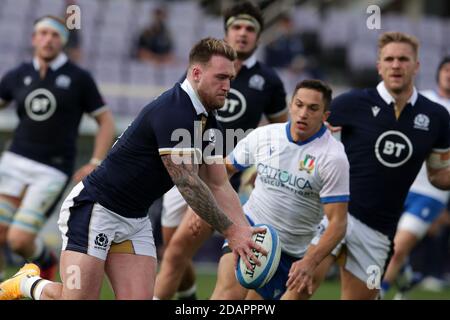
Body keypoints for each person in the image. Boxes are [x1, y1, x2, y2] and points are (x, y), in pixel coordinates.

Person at [0, 37, 266, 300]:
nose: (228, 86)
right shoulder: (175, 110)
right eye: (221, 77)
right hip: (95, 208)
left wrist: (244, 233)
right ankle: (27, 283)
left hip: (135, 219)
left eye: (230, 78)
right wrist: (232, 232)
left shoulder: (209, 121)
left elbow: (218, 183)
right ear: (197, 73)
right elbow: (188, 184)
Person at [154, 1, 288, 300]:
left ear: (259, 35)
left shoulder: (268, 81)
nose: (243, 33)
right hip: (185, 170)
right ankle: (188, 297)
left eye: (250, 29)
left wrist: (259, 169)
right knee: (172, 253)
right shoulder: (201, 72)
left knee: (176, 253)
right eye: (236, 27)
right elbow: (179, 110)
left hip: (220, 179)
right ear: (226, 31)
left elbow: (282, 135)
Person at [309, 32, 450, 300]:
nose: (396, 65)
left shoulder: (437, 117)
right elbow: (305, 137)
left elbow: (439, 175)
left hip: (378, 229)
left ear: (417, 65)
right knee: (302, 283)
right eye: (390, 59)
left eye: (403, 59)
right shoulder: (350, 103)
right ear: (379, 66)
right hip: (335, 213)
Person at [210, 79, 349, 300]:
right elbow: (225, 170)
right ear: (291, 105)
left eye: (313, 108)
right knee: (227, 296)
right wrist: (211, 209)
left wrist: (310, 262)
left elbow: (338, 223)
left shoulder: (333, 158)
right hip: (251, 228)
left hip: (294, 250)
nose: (303, 113)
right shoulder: (265, 135)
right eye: (299, 104)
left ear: (325, 116)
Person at [0, 16, 115, 283]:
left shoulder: (79, 78)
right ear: (34, 39)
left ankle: (45, 260)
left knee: (18, 240)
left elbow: (106, 121)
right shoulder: (18, 74)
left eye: (54, 35)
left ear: (62, 41)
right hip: (14, 160)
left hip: (52, 168)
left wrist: (97, 160)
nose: (48, 39)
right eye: (42, 33)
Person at [380, 56, 450, 298]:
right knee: (382, 247)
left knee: (398, 249)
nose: (449, 74)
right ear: (438, 73)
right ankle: (407, 274)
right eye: (446, 69)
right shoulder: (422, 100)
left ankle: (379, 293)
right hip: (401, 184)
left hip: (432, 193)